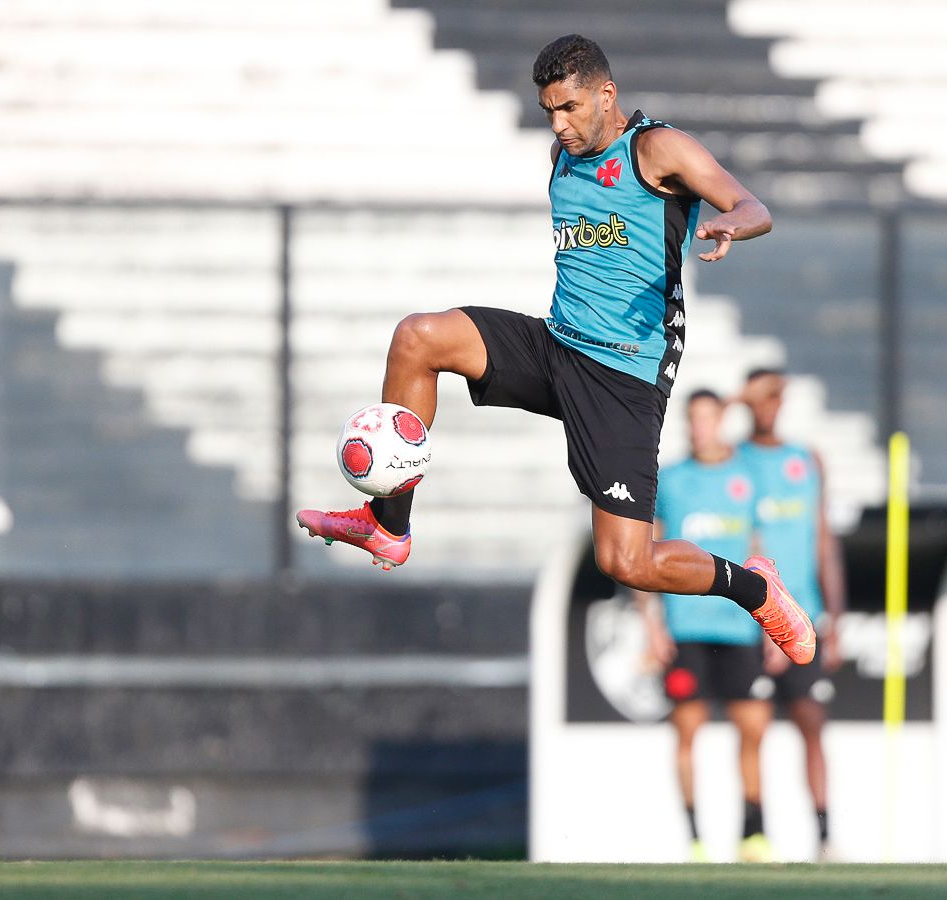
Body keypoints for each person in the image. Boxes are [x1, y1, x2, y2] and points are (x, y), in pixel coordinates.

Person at [296, 34, 816, 665]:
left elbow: (753, 204)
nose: (558, 125)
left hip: (623, 374)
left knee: (627, 562)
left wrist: (733, 222)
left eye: (569, 107)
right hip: (556, 345)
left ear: (607, 94)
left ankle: (756, 588)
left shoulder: (657, 149)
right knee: (418, 338)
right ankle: (389, 525)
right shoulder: (560, 156)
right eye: (548, 110)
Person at [635, 390, 787, 863]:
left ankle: (752, 835)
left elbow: (760, 555)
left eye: (707, 418)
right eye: (693, 419)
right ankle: (696, 839)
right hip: (686, 629)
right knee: (687, 732)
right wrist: (651, 625)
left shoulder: (747, 477)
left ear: (721, 420)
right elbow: (645, 554)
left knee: (753, 729)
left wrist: (773, 623)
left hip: (739, 627)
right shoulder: (671, 479)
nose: (699, 427)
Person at [739, 368, 847, 860]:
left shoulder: (806, 461)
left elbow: (823, 542)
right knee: (752, 729)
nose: (768, 405)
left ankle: (824, 836)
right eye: (759, 397)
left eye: (774, 396)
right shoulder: (734, 461)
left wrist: (835, 619)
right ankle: (754, 836)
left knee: (812, 726)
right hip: (750, 622)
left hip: (805, 617)